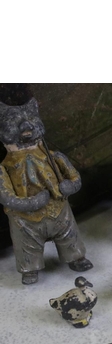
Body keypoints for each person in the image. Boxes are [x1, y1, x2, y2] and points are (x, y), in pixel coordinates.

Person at [0, 98, 92, 285]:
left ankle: (76, 257)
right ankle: (29, 269)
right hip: (25, 219)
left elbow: (75, 177)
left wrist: (70, 186)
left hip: (59, 210)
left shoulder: (54, 156)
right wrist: (31, 203)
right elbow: (6, 197)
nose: (26, 127)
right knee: (26, 245)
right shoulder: (4, 168)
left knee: (69, 236)